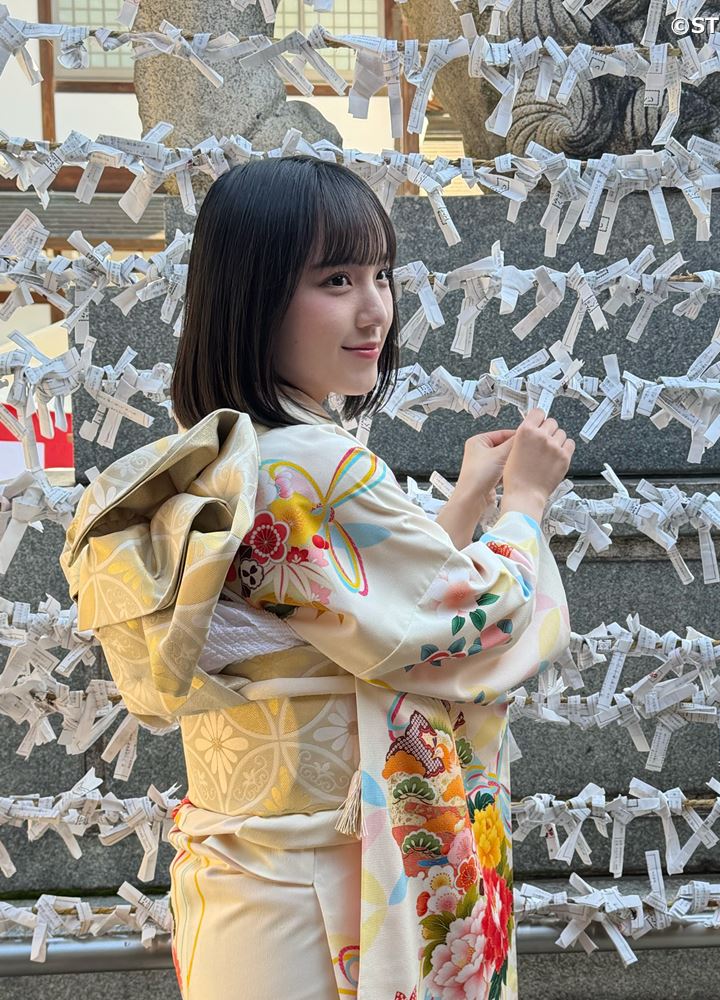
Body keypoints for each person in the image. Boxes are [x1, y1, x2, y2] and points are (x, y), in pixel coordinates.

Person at [59, 155, 574, 1000]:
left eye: (381, 275)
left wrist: (462, 503)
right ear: (254, 295)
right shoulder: (314, 466)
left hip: (239, 873)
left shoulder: (233, 459)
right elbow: (469, 628)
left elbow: (359, 626)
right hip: (330, 886)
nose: (375, 309)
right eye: (336, 279)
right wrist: (524, 503)